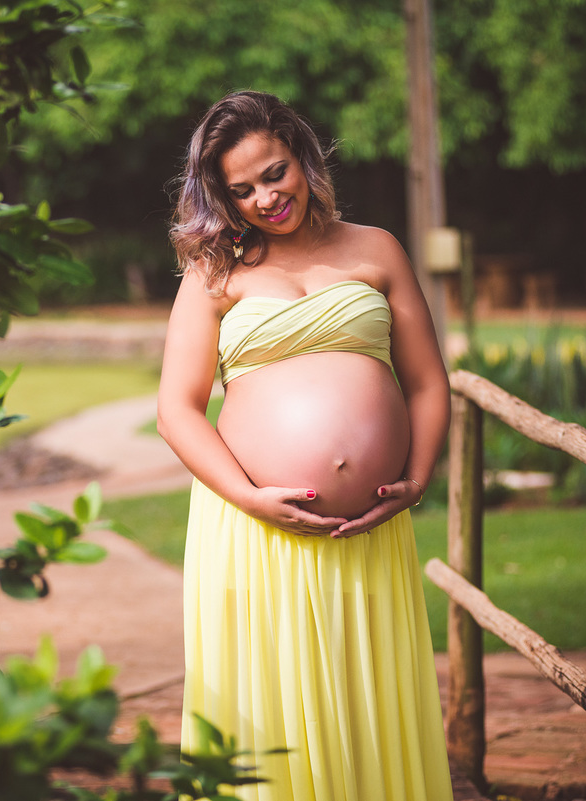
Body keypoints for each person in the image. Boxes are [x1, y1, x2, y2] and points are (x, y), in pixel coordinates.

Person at [156, 90, 453, 800]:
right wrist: (252, 496)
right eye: (243, 190)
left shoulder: (376, 247)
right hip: (257, 529)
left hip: (368, 530)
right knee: (273, 708)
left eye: (275, 172)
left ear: (303, 157)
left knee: (364, 700)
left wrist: (417, 476)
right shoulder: (213, 273)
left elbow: (427, 381)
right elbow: (177, 409)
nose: (266, 197)